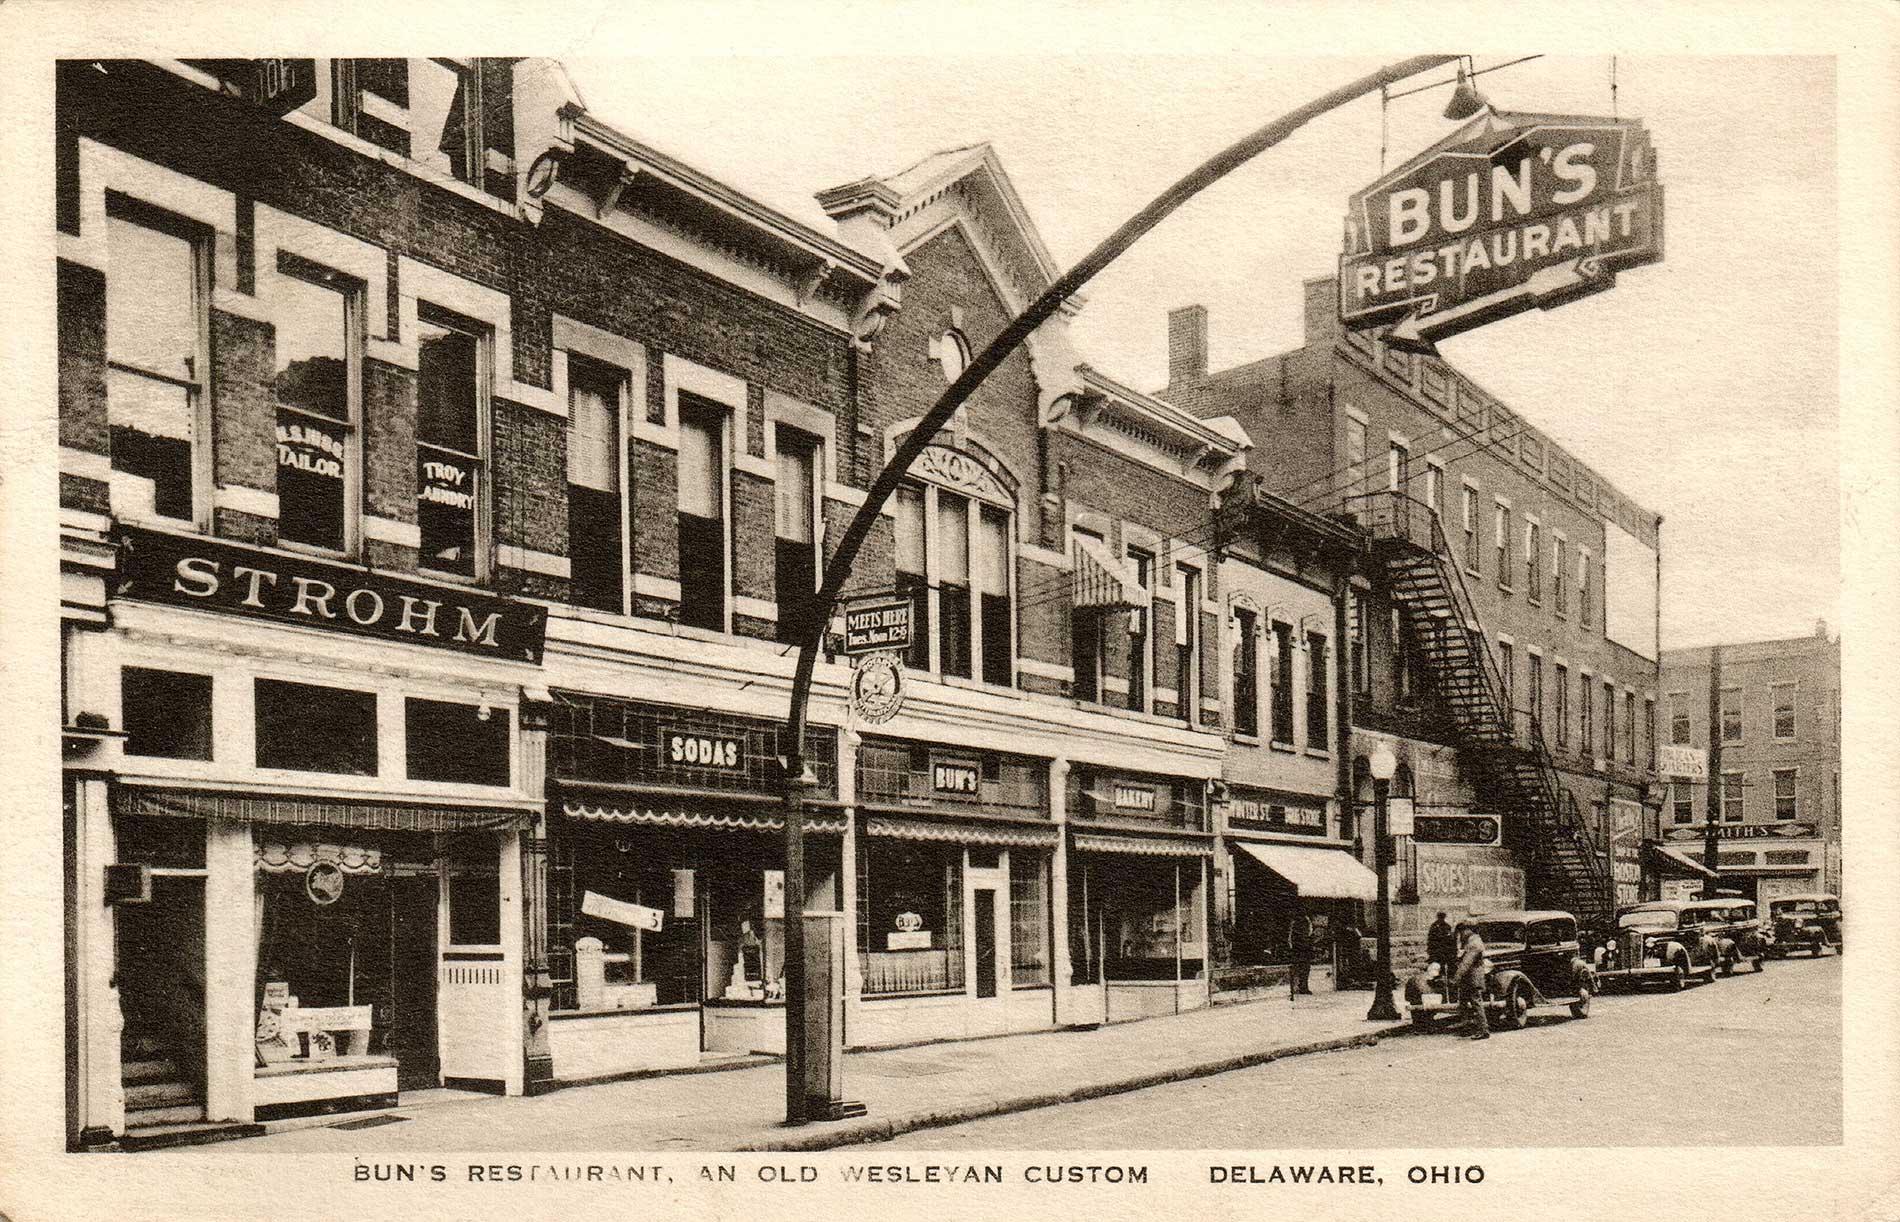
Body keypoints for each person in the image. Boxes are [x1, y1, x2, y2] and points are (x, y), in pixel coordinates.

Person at [1453, 921, 1490, 1040]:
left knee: (1476, 1002)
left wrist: (1456, 977)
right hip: (1467, 979)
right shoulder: (1469, 942)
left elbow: (1466, 963)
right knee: (1463, 1003)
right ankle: (1466, 1027)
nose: (1460, 935)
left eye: (1461, 932)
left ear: (1467, 930)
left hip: (1473, 978)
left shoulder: (1474, 943)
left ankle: (1483, 1030)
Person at [1427, 912, 1457, 1002]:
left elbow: (1452, 941)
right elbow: (1431, 941)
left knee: (1451, 972)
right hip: (1437, 954)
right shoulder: (1434, 927)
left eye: (1442, 917)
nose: (1441, 918)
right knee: (1437, 972)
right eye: (1441, 917)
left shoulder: (1447, 926)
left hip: (1447, 954)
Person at [1287, 910, 1313, 995]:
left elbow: (1290, 936)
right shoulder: (1306, 920)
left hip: (1299, 946)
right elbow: (1310, 932)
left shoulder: (1295, 921)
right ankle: (1302, 987)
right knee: (1303, 968)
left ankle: (1298, 987)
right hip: (1302, 946)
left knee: (1299, 967)